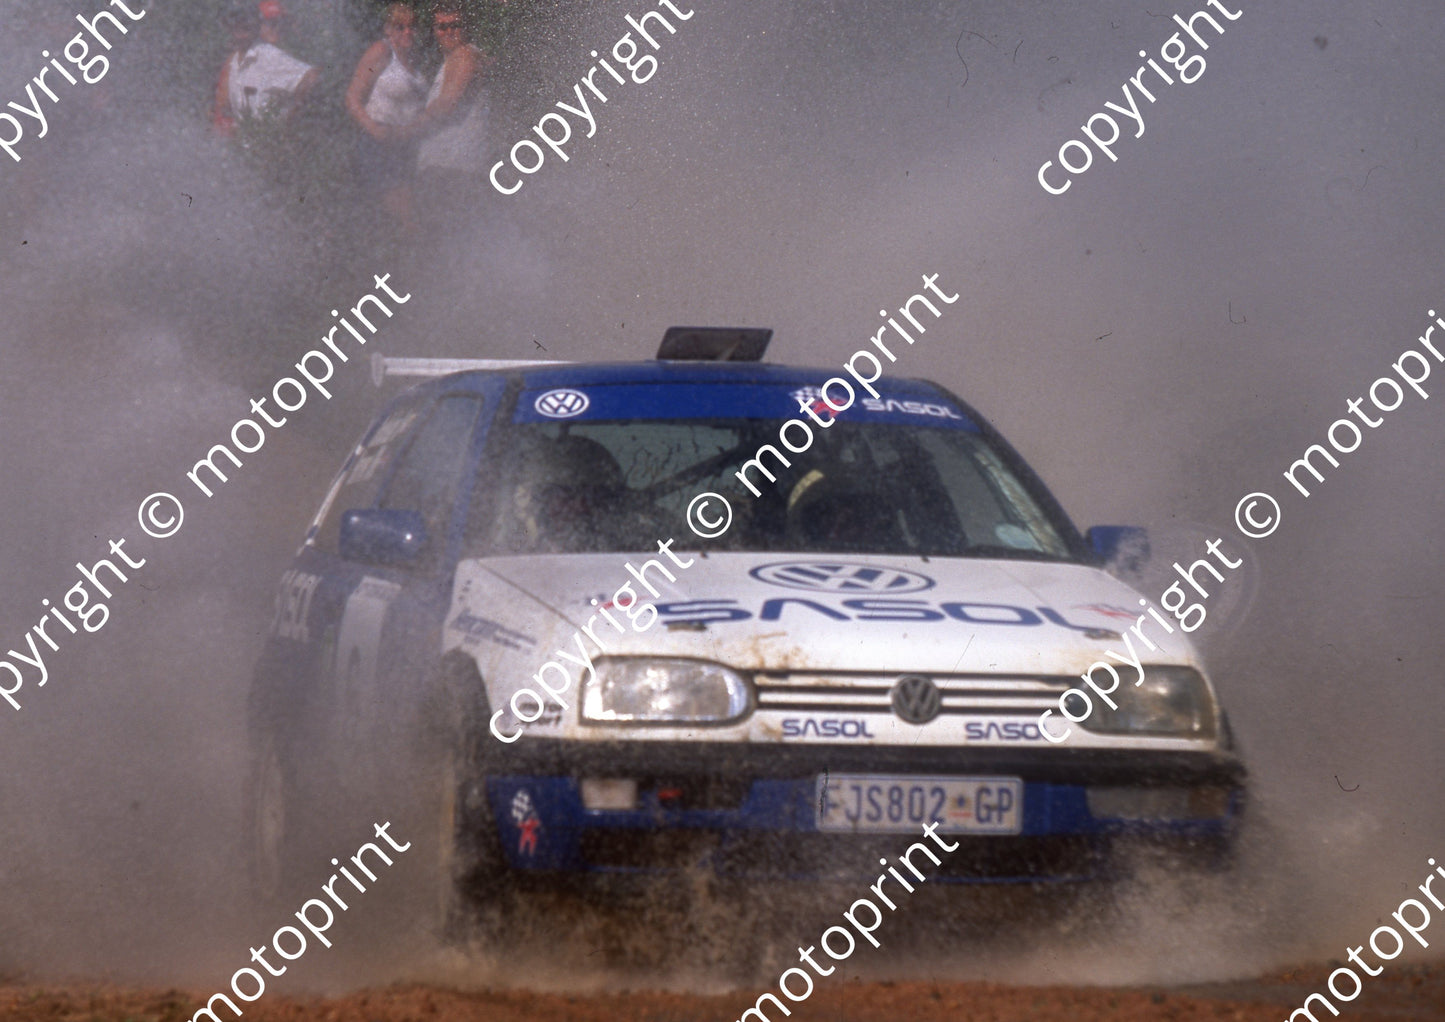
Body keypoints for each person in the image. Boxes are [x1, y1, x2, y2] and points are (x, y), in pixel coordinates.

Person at [346, 2, 430, 234]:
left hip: (405, 146)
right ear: (388, 29)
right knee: (406, 216)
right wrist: (373, 129)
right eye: (399, 26)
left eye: (412, 26)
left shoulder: (416, 59)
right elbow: (352, 97)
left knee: (404, 217)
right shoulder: (382, 52)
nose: (407, 31)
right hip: (378, 144)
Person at [410, 2, 490, 232]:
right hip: (445, 169)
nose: (448, 31)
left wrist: (404, 131)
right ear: (434, 31)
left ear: (465, 27)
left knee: (448, 243)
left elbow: (446, 105)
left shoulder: (465, 54)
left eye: (455, 25)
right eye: (441, 27)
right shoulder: (451, 60)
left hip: (455, 170)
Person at [223, 1, 318, 124]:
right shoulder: (235, 61)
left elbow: (312, 76)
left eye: (246, 22)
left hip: (270, 140)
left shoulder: (269, 55)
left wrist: (291, 115)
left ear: (255, 24)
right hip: (248, 139)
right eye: (236, 22)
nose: (278, 29)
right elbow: (224, 106)